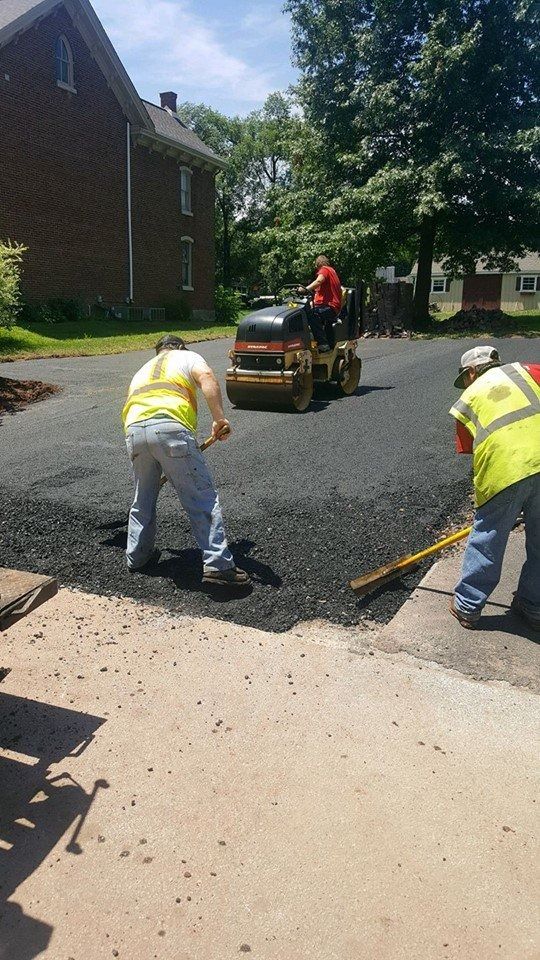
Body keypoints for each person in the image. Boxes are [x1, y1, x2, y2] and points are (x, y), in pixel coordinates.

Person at [122, 335, 250, 586]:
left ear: (158, 351)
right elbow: (207, 378)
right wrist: (219, 419)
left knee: (143, 497)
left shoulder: (144, 369)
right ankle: (218, 565)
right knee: (201, 496)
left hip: (135, 432)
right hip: (170, 428)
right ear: (179, 347)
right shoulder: (186, 356)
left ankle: (137, 557)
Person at [449, 345, 540, 630]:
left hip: (505, 470)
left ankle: (467, 605)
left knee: (488, 537)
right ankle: (534, 606)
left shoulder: (468, 398)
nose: (465, 382)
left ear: (473, 371)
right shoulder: (530, 371)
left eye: (465, 376)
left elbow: (470, 451)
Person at [298, 255, 342, 353]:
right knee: (311, 311)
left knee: (313, 314)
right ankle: (321, 342)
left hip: (330, 306)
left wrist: (305, 289)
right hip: (329, 306)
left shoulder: (325, 270)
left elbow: (319, 281)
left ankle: (323, 344)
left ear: (318, 264)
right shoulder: (332, 271)